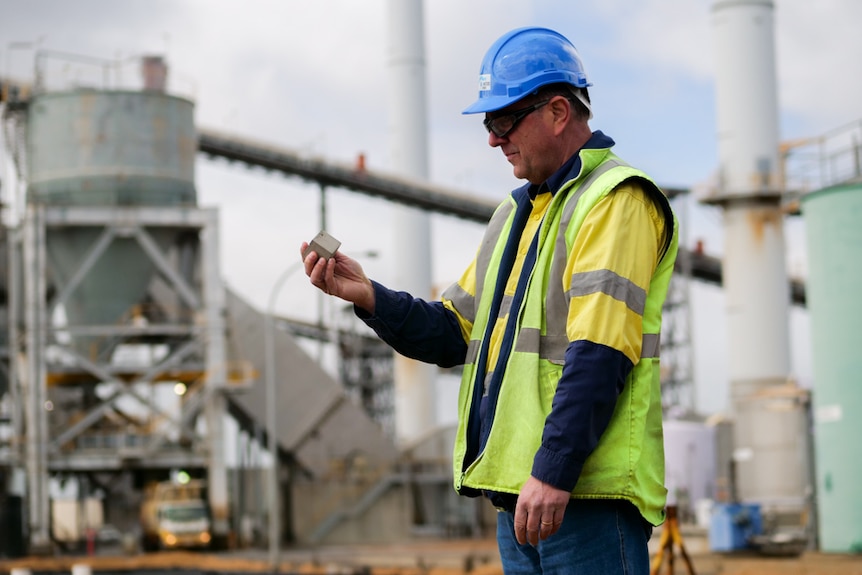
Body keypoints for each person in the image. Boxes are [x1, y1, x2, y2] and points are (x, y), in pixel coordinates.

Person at [302, 26, 679, 575]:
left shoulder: (615, 200)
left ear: (556, 112)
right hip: (520, 501)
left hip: (585, 500)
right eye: (489, 123)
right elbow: (455, 332)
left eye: (503, 121)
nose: (492, 140)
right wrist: (370, 298)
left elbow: (600, 352)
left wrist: (553, 472)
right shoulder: (515, 214)